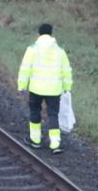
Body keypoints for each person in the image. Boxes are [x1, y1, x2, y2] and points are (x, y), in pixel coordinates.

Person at [17, 23, 72, 153]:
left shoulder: (32, 49)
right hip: (54, 90)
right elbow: (66, 71)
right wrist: (67, 87)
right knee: (53, 114)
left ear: (39, 33)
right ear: (51, 33)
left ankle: (35, 140)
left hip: (36, 89)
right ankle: (55, 144)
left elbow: (25, 69)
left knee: (35, 112)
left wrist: (22, 86)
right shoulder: (60, 51)